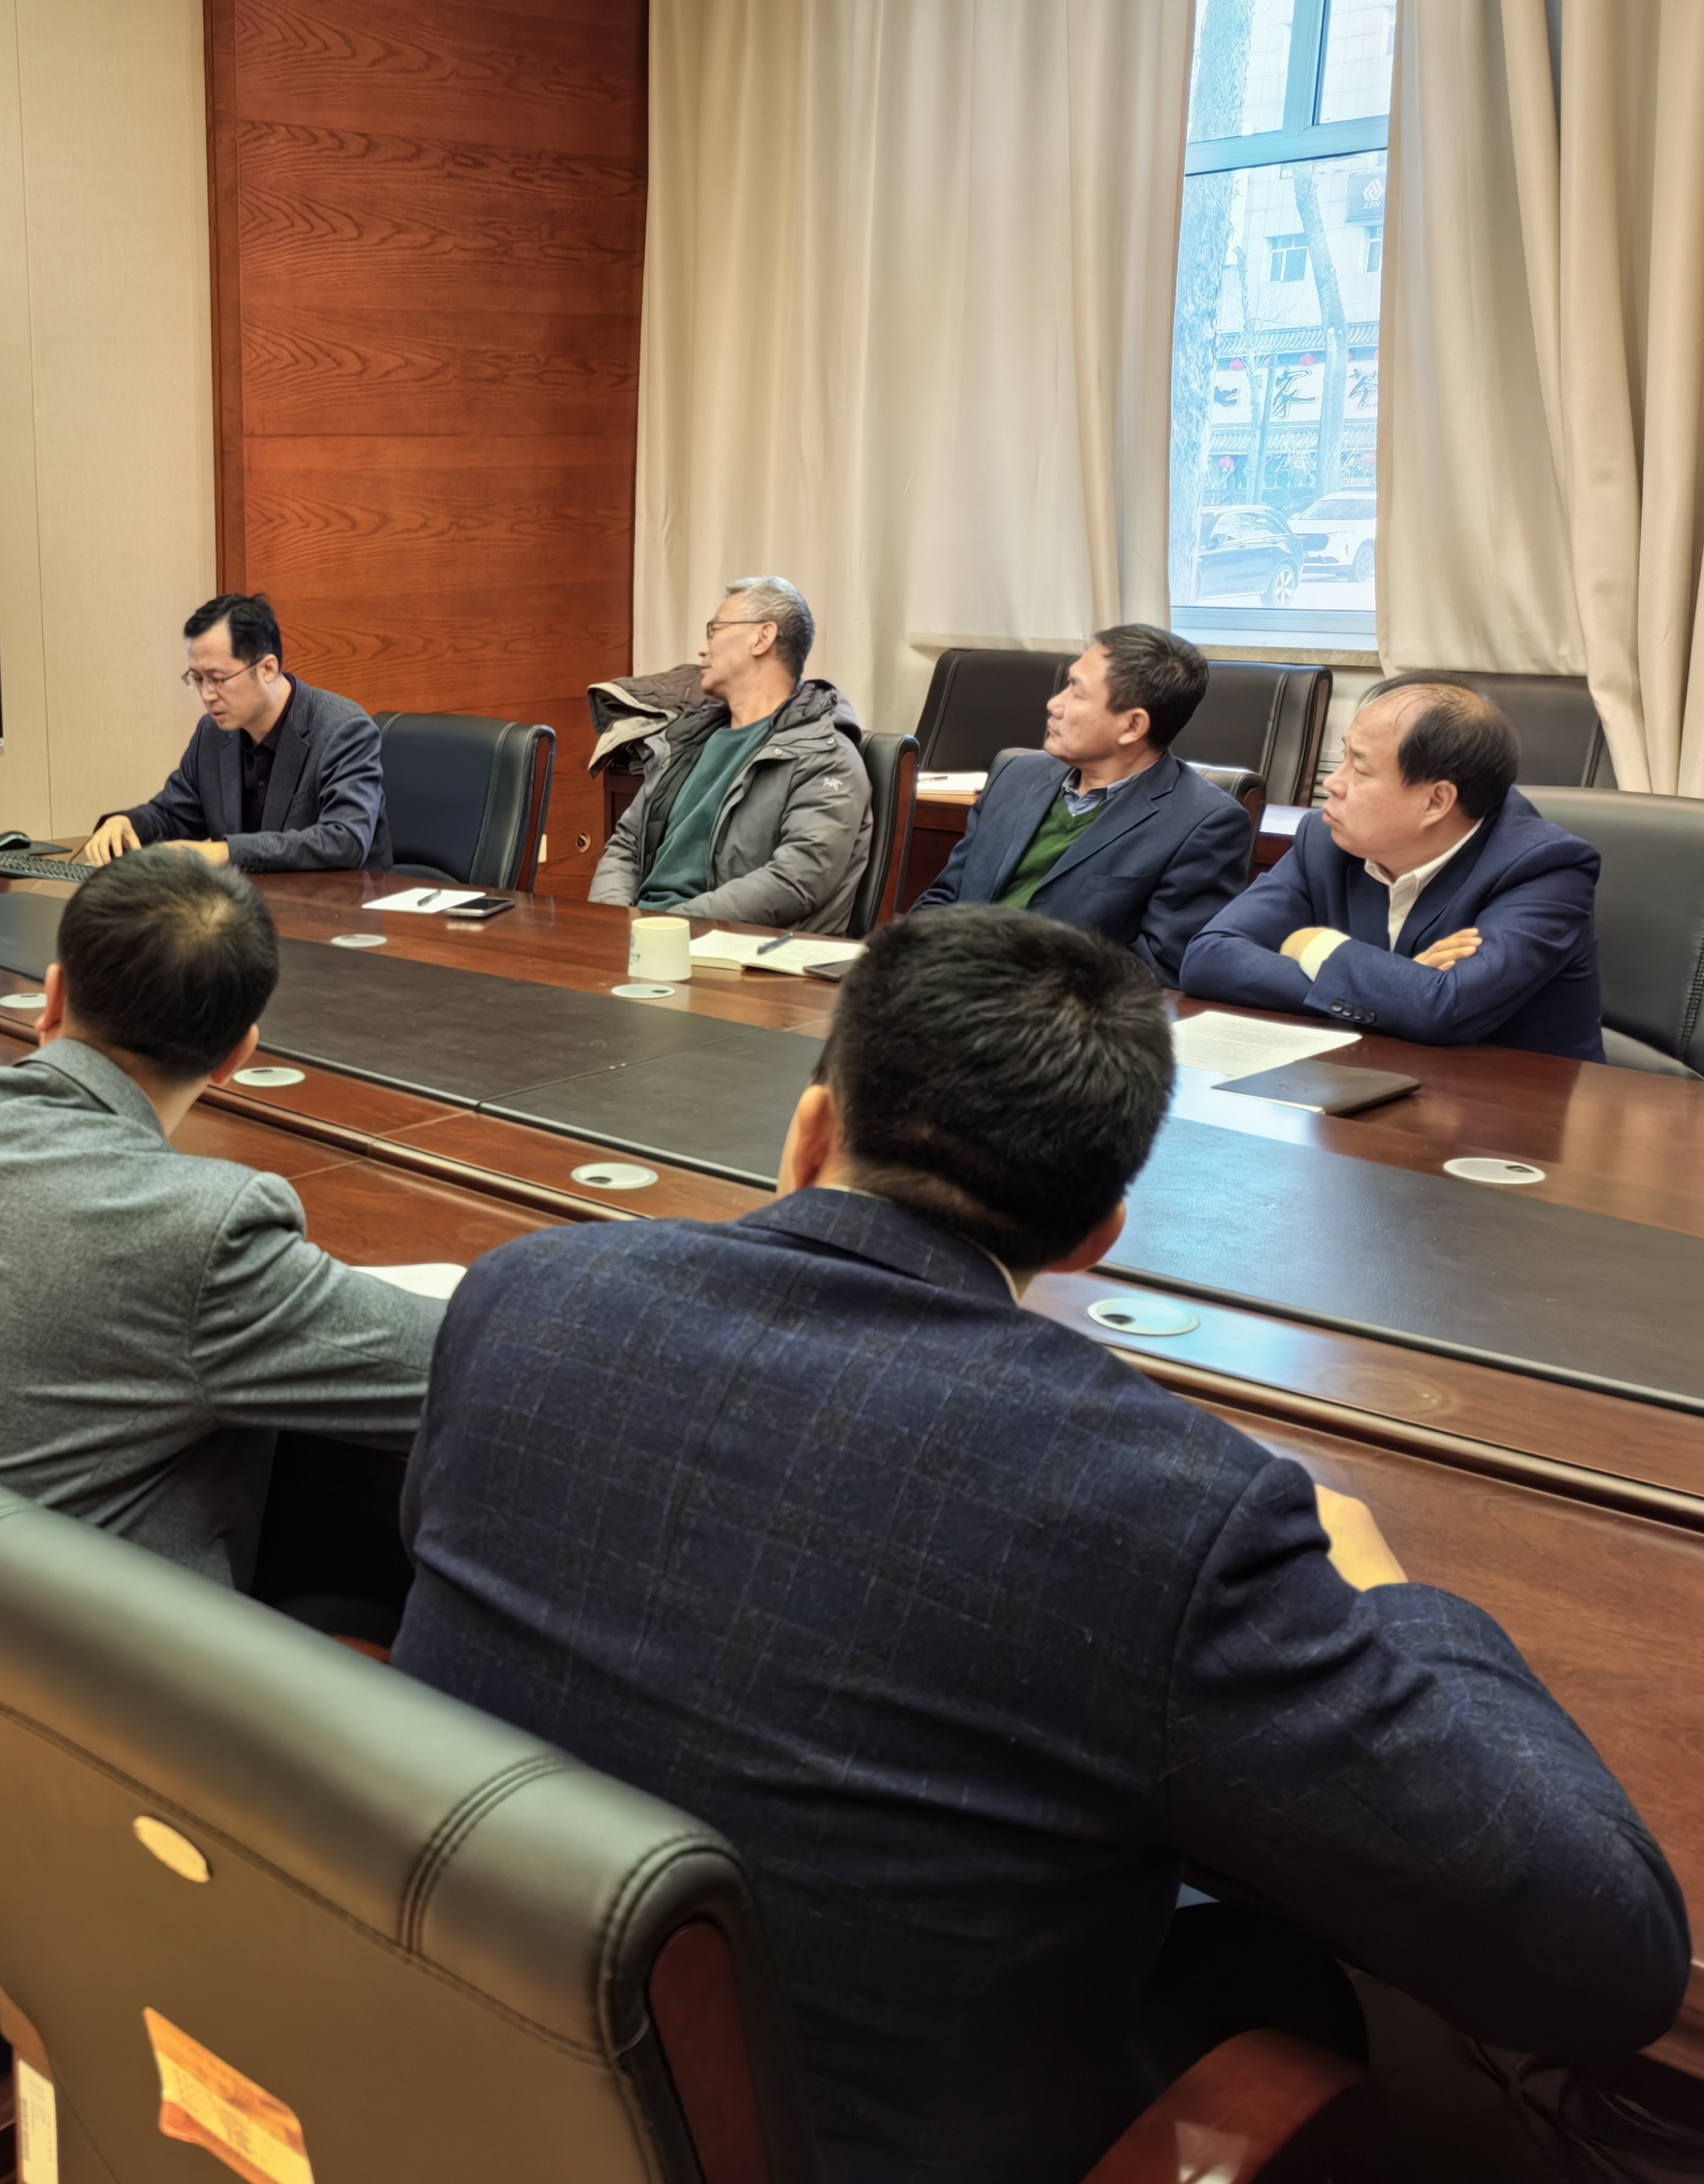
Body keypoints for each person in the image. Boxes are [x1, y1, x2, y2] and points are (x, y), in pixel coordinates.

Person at [390, 907, 1686, 2184]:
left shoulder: (527, 1296)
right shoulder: (1171, 1509)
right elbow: (1603, 1962)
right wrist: (1397, 1600)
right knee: (1277, 1976)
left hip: (453, 2073)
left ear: (810, 1131)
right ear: (1097, 1237)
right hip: (878, 2141)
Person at [0, 847, 444, 1820]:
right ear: (240, 1054)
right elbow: (466, 1372)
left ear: (51, 995)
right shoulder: (203, 1234)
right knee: (374, 1593)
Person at [1182, 677, 1602, 1057]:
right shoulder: (1325, 840)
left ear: (1435, 801)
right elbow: (1208, 958)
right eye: (1343, 757)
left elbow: (1446, 1009)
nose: (1332, 783)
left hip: (1514, 1102)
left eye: (1359, 768)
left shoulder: (1545, 869)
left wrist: (1315, 946)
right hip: (1368, 1074)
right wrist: (1400, 987)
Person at [913, 624, 1252, 982]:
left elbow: (1157, 969)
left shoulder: (1205, 823)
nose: (1054, 704)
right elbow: (943, 900)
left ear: (1132, 726)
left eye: (1076, 692)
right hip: (949, 989)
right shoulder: (1015, 774)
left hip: (1061, 1007)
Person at [589, 577, 872, 931]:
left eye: (715, 630)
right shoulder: (687, 739)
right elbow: (626, 845)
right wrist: (613, 922)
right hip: (645, 935)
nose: (701, 649)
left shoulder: (826, 757)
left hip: (731, 947)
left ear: (762, 637)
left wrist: (667, 927)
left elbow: (797, 879)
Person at [80, 594, 393, 872]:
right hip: (248, 905)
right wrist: (129, 823)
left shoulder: (343, 729)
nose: (207, 695)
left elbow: (345, 840)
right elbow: (176, 814)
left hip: (340, 908)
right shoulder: (213, 733)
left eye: (218, 678)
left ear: (267, 669)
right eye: (197, 679)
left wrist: (227, 852)